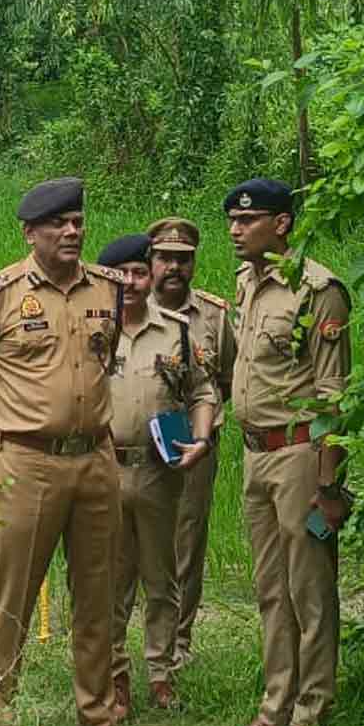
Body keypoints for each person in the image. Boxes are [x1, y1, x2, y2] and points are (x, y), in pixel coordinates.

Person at [0, 177, 138, 726]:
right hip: (28, 464)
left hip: (95, 463)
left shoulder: (108, 288)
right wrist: (8, 428)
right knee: (14, 599)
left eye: (78, 221)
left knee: (97, 595)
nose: (72, 231)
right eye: (58, 223)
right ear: (31, 233)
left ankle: (96, 720)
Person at [226, 177, 352, 726]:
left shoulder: (316, 289)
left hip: (300, 453)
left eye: (248, 220)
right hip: (255, 455)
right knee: (270, 589)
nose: (235, 230)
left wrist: (328, 481)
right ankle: (275, 703)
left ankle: (312, 711)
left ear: (281, 224)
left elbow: (333, 395)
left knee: (310, 589)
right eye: (231, 220)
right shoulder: (247, 283)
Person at [98, 233, 215, 717]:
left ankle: (162, 673)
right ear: (107, 280)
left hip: (156, 470)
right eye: (120, 274)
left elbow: (204, 391)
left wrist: (202, 439)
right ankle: (114, 674)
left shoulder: (176, 331)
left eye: (138, 272)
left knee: (161, 576)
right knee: (107, 579)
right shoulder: (92, 331)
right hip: (103, 469)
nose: (130, 282)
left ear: (149, 277)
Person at [146, 217, 236, 667]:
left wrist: (202, 430)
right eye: (165, 258)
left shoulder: (215, 317)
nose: (174, 268)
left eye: (183, 260)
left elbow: (225, 381)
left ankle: (179, 639)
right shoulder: (128, 309)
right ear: (151, 261)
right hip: (139, 448)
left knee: (188, 540)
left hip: (196, 449)